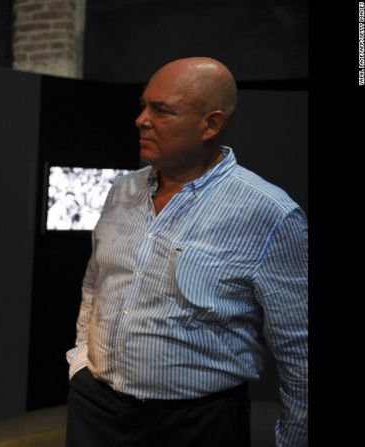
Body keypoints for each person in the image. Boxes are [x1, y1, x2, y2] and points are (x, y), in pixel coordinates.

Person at [65, 57, 307, 447]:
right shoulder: (122, 191)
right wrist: (81, 361)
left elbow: (299, 348)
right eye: (143, 105)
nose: (141, 119)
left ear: (210, 124)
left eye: (161, 110)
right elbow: (97, 283)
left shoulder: (268, 213)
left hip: (197, 424)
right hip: (97, 410)